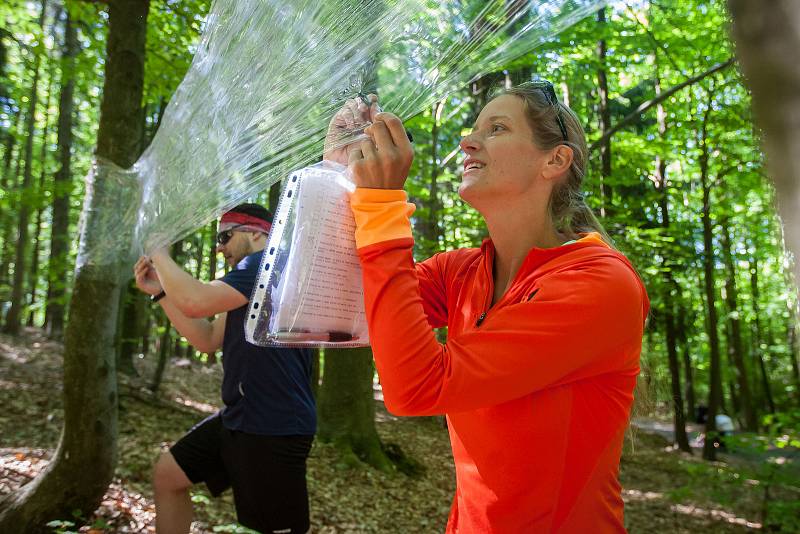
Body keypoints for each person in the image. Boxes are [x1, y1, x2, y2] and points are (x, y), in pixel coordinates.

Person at [325, 83, 649, 532]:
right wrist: (338, 174)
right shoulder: (462, 271)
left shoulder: (598, 283)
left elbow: (415, 388)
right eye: (474, 128)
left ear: (554, 161)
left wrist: (384, 205)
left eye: (496, 128)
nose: (468, 141)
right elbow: (334, 298)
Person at [133, 203, 316, 534]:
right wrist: (161, 292)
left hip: (274, 426)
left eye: (225, 236)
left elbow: (196, 300)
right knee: (168, 476)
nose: (219, 248)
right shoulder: (246, 277)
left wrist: (159, 252)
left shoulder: (267, 263)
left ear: (256, 232)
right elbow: (207, 338)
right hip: (241, 416)